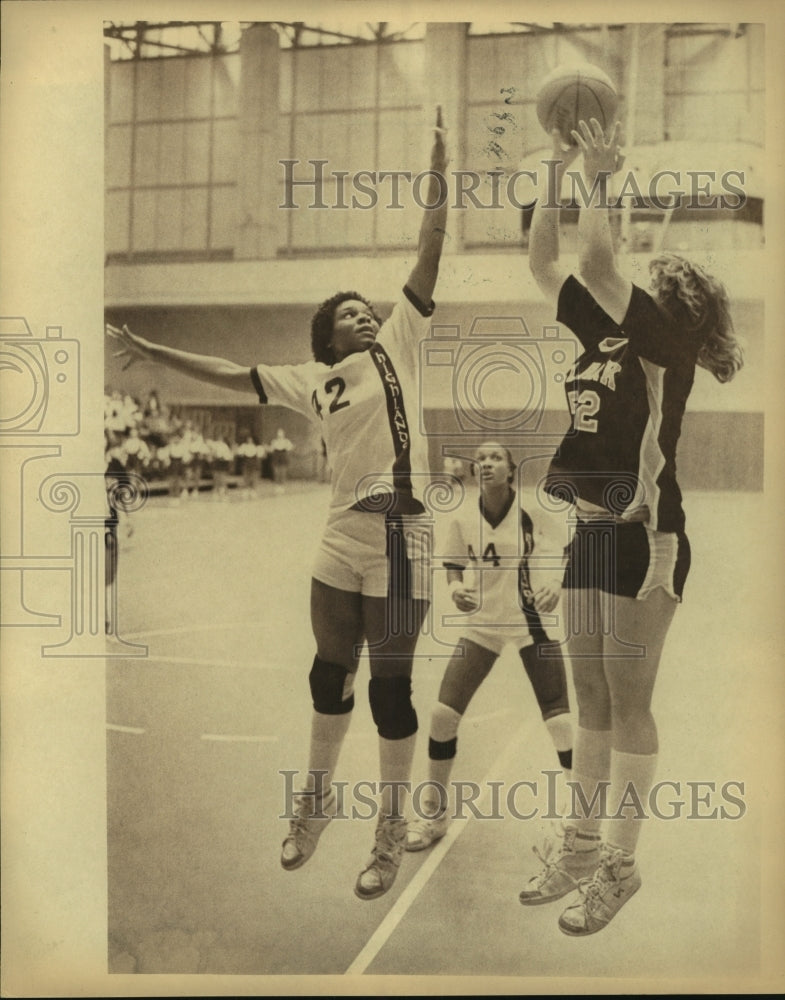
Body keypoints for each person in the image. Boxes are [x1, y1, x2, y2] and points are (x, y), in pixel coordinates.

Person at [106, 107, 448, 902]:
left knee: (389, 691)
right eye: (348, 315)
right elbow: (229, 373)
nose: (364, 315)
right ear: (326, 338)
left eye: (367, 308)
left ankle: (388, 831)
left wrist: (439, 164)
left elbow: (431, 244)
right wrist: (153, 351)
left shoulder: (401, 342)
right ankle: (315, 802)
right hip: (340, 539)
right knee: (329, 676)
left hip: (405, 541)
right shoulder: (310, 380)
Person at [519, 121, 743, 935]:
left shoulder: (663, 341)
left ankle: (619, 861)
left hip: (648, 531)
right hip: (589, 529)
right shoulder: (603, 329)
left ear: (670, 302)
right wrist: (553, 169)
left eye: (651, 276)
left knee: (627, 697)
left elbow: (592, 259)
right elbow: (545, 263)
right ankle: (580, 846)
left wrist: (601, 177)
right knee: (588, 697)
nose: (634, 276)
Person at [406, 441, 573, 851]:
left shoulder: (532, 510)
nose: (486, 463)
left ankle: (581, 823)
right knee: (442, 715)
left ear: (511, 470)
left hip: (530, 622)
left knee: (561, 724)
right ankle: (435, 814)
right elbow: (452, 565)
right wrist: (458, 586)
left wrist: (555, 582)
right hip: (482, 625)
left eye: (495, 457)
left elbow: (573, 545)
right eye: (480, 459)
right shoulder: (463, 516)